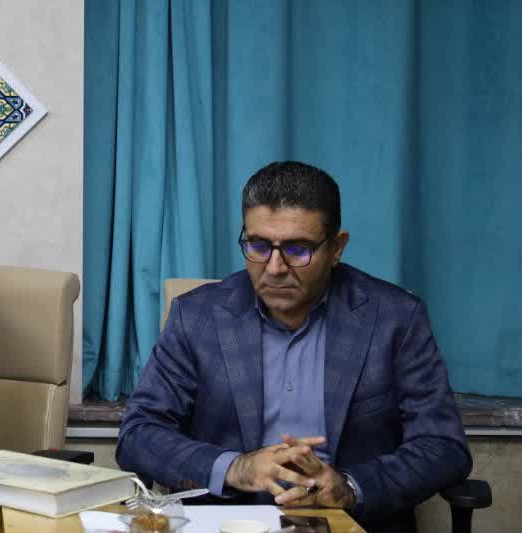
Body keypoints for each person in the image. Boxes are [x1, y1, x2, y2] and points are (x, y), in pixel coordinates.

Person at [116, 161, 471, 533]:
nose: (274, 268)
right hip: (229, 523)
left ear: (336, 248)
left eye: (297, 249)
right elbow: (139, 434)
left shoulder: (395, 318)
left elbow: (443, 446)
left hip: (348, 523)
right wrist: (236, 468)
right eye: (258, 246)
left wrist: (350, 488)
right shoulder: (197, 316)